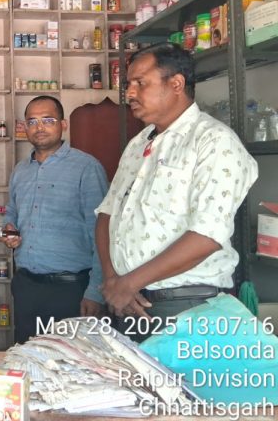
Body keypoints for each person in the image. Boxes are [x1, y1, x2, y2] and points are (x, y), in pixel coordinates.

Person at [96, 43, 258, 327]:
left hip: (185, 306)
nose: (129, 93)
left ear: (176, 84)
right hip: (128, 300)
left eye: (140, 83)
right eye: (128, 85)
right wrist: (114, 281)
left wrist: (129, 283)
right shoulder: (139, 143)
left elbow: (207, 235)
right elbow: (107, 214)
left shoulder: (213, 141)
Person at [0, 95, 108, 344]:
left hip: (71, 289)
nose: (39, 127)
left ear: (63, 124)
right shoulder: (20, 171)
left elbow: (102, 232)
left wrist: (95, 292)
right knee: (27, 356)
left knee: (72, 361)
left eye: (48, 120)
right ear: (24, 127)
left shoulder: (86, 167)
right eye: (32, 121)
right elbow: (11, 212)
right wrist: (8, 230)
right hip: (27, 286)